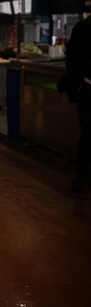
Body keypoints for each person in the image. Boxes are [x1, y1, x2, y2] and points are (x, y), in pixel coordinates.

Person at [63, 10, 91, 192]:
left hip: (87, 87)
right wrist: (79, 84)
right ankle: (83, 175)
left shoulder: (83, 26)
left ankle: (83, 175)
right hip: (88, 88)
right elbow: (72, 59)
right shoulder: (84, 27)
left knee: (88, 133)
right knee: (88, 133)